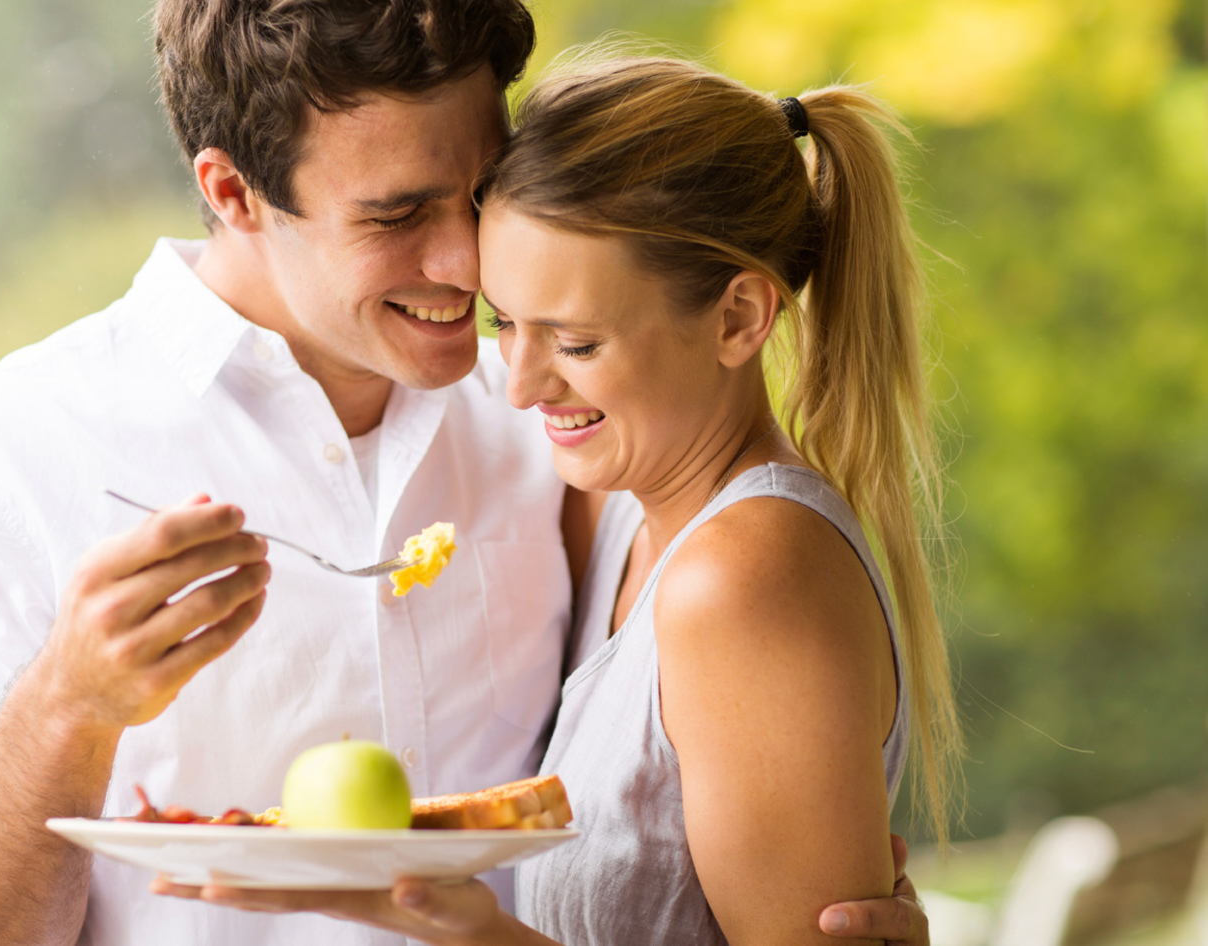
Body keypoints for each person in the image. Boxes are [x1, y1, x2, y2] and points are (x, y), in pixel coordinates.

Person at [0, 2, 930, 943]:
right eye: (400, 213)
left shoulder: (564, 435)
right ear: (231, 192)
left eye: (481, 191)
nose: (466, 265)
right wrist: (65, 710)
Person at [155, 52, 961, 944]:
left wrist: (480, 934)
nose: (521, 386)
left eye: (575, 343)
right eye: (507, 324)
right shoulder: (624, 520)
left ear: (738, 318)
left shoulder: (740, 581)